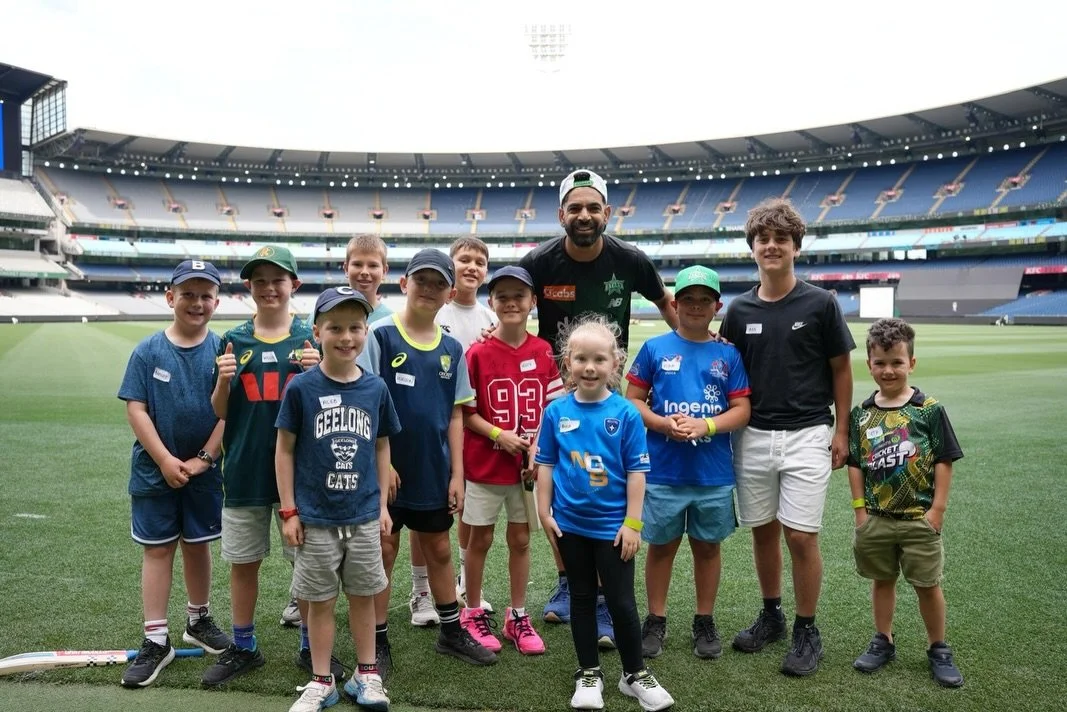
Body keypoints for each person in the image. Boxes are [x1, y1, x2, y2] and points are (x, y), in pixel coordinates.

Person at [519, 168, 678, 640]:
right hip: (555, 391)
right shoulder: (539, 261)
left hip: (608, 390)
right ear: (561, 215)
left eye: (593, 208)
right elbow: (510, 302)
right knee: (564, 481)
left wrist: (690, 338)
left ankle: (608, 593)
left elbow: (665, 301)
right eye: (575, 208)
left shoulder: (630, 259)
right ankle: (570, 581)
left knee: (606, 483)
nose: (584, 216)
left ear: (607, 213)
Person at [718, 198, 855, 677]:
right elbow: (723, 367)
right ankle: (772, 614)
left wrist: (841, 428)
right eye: (763, 239)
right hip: (753, 435)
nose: (771, 246)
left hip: (808, 433)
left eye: (781, 239)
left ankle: (806, 628)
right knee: (763, 531)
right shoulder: (738, 309)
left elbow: (841, 368)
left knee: (800, 535)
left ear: (796, 246)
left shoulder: (821, 303)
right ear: (752, 248)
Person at [201, 246, 338, 687]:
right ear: (249, 288)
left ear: (294, 285)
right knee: (244, 562)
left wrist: (320, 372)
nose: (268, 288)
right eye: (259, 281)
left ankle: (307, 645)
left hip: (300, 474)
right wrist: (223, 381)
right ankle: (244, 646)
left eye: (277, 280)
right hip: (242, 467)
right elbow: (221, 411)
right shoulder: (234, 339)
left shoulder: (310, 339)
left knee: (306, 562)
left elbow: (327, 408)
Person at [357, 248, 498, 677]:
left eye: (439, 284)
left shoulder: (452, 348)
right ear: (404, 284)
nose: (430, 290)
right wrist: (383, 465)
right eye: (422, 281)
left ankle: (451, 631)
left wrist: (457, 473)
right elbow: (364, 402)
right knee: (384, 548)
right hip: (387, 469)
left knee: (438, 546)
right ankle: (377, 639)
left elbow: (456, 413)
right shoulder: (380, 336)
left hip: (432, 468)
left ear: (449, 292)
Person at [534, 316, 674, 712]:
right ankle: (588, 671)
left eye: (599, 359)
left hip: (613, 530)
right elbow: (546, 465)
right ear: (568, 362)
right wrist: (544, 513)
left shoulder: (627, 414)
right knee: (580, 597)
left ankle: (634, 674)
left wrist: (632, 523)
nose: (590, 367)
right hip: (570, 526)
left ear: (616, 363)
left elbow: (636, 474)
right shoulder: (556, 412)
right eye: (581, 359)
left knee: (621, 603)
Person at [276, 286, 402, 712]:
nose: (346, 337)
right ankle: (321, 679)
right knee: (321, 601)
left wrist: (383, 505)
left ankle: (367, 675)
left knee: (364, 596)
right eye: (335, 328)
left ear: (366, 330)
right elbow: (285, 450)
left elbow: (382, 446)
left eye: (355, 327)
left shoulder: (375, 389)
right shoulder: (302, 388)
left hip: (364, 515)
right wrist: (289, 510)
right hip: (315, 519)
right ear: (316, 331)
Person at [623, 266, 751, 661]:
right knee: (661, 548)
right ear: (675, 304)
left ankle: (704, 619)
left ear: (717, 306)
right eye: (688, 300)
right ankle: (656, 619)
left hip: (711, 474)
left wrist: (706, 425)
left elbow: (742, 408)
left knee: (707, 548)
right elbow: (632, 401)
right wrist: (663, 424)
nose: (696, 307)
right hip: (662, 471)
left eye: (704, 301)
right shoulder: (655, 349)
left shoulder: (727, 353)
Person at [118, 260, 231, 688]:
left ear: (216, 302)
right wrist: (165, 459)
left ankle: (198, 620)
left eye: (205, 295)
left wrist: (204, 457)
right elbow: (136, 407)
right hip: (153, 471)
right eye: (188, 294)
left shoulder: (223, 349)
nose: (197, 303)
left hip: (203, 471)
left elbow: (228, 412)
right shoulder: (148, 350)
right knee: (158, 549)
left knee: (198, 545)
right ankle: (156, 637)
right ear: (170, 298)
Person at [847, 318, 964, 688]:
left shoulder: (928, 409)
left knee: (927, 584)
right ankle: (884, 640)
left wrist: (937, 511)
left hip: (919, 518)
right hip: (877, 519)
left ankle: (938, 648)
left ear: (911, 363)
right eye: (880, 362)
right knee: (883, 580)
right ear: (869, 365)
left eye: (897, 362)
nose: (888, 370)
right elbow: (855, 464)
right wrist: (860, 513)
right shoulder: (861, 414)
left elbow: (945, 459)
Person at [460, 266, 563, 656]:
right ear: (492, 303)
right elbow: (466, 412)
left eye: (519, 296)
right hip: (485, 466)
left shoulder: (542, 353)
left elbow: (552, 412)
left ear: (533, 302)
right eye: (502, 296)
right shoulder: (478, 353)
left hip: (526, 469)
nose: (511, 303)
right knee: (479, 539)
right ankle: (471, 610)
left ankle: (517, 614)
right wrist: (497, 434)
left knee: (520, 539)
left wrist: (537, 450)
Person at [405, 236, 497, 626]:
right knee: (423, 508)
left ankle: (462, 580)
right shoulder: (436, 312)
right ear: (452, 269)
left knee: (464, 506)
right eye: (464, 259)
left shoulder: (490, 317)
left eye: (480, 261)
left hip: (471, 422)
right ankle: (420, 589)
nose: (472, 266)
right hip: (432, 424)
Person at [345, 233, 394, 326]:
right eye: (357, 264)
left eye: (373, 265)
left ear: (384, 271)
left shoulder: (392, 322)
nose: (365, 272)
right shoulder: (324, 313)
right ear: (346, 269)